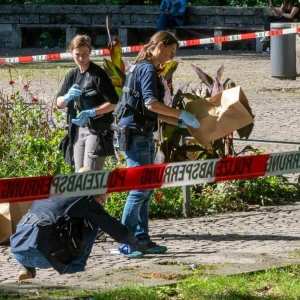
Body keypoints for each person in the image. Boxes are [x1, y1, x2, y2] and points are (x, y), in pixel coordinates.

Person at [113, 30, 200, 255]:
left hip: (141, 132)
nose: (170, 58)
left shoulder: (142, 67)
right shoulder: (147, 69)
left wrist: (178, 121)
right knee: (140, 188)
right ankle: (126, 241)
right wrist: (181, 114)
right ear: (160, 45)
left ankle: (142, 239)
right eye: (170, 51)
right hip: (135, 135)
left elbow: (149, 110)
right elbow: (152, 104)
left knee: (147, 188)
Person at [10, 169, 147, 282]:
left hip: (17, 248)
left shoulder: (53, 190)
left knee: (38, 225)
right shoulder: (86, 199)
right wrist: (137, 244)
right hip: (43, 256)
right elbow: (114, 228)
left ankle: (25, 267)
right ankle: (75, 273)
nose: (101, 204)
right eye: (102, 200)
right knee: (94, 223)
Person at [56, 34, 119, 172]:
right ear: (71, 52)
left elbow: (114, 102)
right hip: (78, 129)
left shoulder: (98, 74)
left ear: (90, 52)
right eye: (77, 54)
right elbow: (59, 103)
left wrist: (92, 112)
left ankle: (96, 194)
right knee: (79, 173)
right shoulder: (72, 74)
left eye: (85, 54)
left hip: (97, 129)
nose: (81, 58)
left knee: (90, 174)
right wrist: (67, 97)